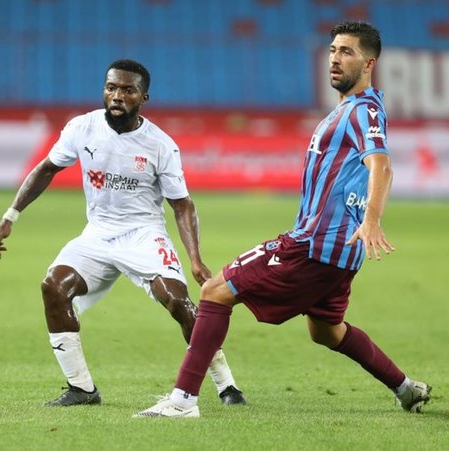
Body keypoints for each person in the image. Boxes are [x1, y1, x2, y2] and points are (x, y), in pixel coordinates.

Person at [135, 21, 431, 418]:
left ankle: (183, 400)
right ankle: (405, 387)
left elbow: (382, 165)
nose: (335, 59)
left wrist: (373, 218)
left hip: (314, 243)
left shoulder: (363, 111)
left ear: (369, 63)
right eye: (332, 50)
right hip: (340, 252)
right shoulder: (353, 109)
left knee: (215, 291)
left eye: (347, 52)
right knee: (326, 331)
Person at [0, 59, 246, 407]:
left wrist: (195, 259)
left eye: (128, 90)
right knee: (53, 287)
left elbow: (182, 204)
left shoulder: (160, 144)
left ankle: (227, 386)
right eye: (111, 88)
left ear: (143, 97)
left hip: (143, 234)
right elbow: (47, 169)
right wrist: (10, 216)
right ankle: (81, 389)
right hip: (97, 235)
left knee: (178, 302)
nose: (117, 96)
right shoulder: (82, 128)